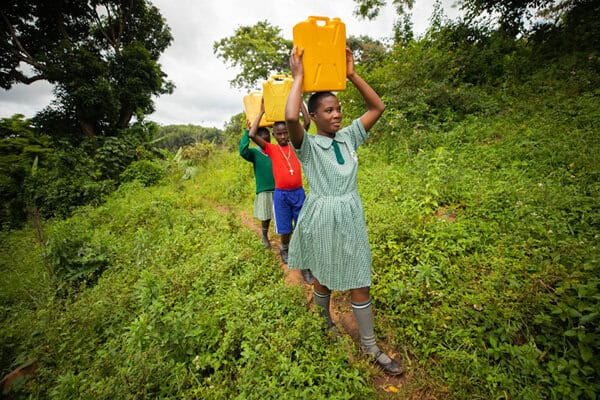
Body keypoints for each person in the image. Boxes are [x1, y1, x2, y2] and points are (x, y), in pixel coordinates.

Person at [284, 46, 403, 376]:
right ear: (316, 116)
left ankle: (370, 347)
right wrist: (299, 78)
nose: (336, 114)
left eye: (338, 108)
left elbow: (377, 106)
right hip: (322, 216)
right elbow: (292, 117)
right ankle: (324, 323)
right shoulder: (307, 146)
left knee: (359, 279)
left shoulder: (350, 136)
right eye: (328, 110)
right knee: (323, 278)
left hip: (351, 214)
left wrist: (351, 74)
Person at [248, 98, 310, 267]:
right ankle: (284, 248)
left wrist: (300, 102)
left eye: (285, 132)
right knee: (285, 227)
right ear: (273, 135)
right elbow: (252, 135)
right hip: (281, 194)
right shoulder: (271, 149)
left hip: (298, 193)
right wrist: (261, 112)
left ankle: (300, 252)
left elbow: (307, 122)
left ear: (290, 132)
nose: (283, 136)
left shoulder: (296, 145)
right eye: (279, 133)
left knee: (301, 225)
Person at [239, 122, 275, 248]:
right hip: (264, 189)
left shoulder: (275, 151)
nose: (265, 140)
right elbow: (243, 151)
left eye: (267, 137)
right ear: (256, 140)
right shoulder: (254, 153)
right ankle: (265, 236)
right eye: (262, 138)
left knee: (281, 215)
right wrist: (247, 133)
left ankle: (284, 240)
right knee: (266, 216)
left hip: (280, 189)